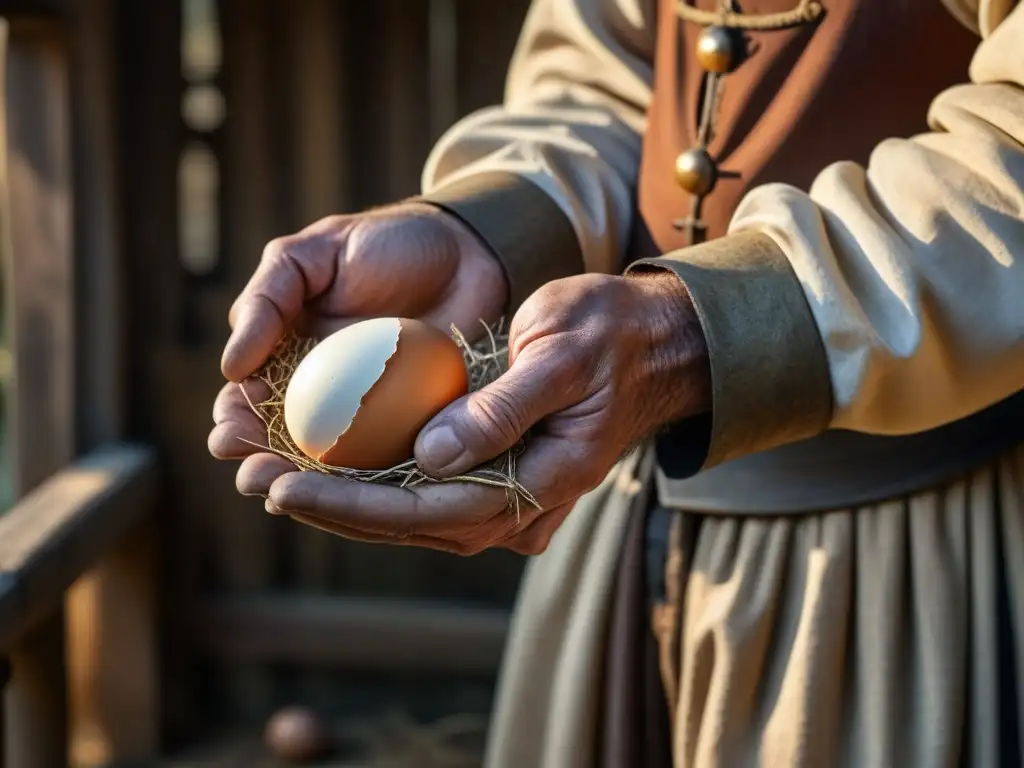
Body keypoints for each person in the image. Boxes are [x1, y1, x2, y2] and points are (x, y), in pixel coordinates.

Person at [209, 0, 1024, 764]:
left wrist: (702, 329)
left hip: (902, 568)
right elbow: (599, 78)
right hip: (618, 518)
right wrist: (485, 233)